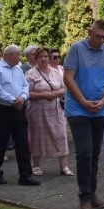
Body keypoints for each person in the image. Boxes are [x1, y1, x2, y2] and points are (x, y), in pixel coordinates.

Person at [64, 20, 104, 209]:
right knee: (84, 152)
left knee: (94, 153)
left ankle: (92, 193)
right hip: (78, 109)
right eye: (98, 36)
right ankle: (84, 197)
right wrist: (84, 101)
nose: (101, 41)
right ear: (90, 32)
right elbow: (68, 78)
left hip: (99, 108)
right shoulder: (76, 49)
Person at [0, 44, 40, 186]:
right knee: (0, 142)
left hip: (19, 108)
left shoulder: (18, 69)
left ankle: (25, 175)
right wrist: (12, 100)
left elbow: (25, 86)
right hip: (1, 109)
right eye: (18, 55)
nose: (20, 57)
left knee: (22, 142)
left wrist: (21, 98)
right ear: (10, 55)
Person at [26, 47, 72, 177]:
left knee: (60, 136)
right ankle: (36, 165)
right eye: (40, 56)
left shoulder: (56, 72)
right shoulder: (30, 74)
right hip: (37, 111)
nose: (43, 59)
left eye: (46, 56)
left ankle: (64, 166)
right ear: (36, 58)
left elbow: (64, 89)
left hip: (56, 109)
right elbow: (27, 93)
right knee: (37, 137)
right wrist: (44, 95)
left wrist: (53, 93)